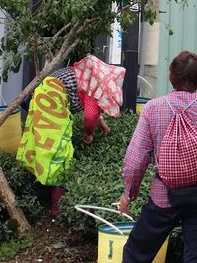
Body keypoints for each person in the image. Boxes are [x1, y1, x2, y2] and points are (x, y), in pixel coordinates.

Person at [119, 51, 197, 263]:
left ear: (171, 76)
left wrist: (128, 194)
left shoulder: (152, 108)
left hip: (163, 197)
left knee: (136, 253)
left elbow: (135, 161)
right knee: (196, 257)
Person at [17, 55, 124, 215]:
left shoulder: (88, 78)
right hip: (52, 99)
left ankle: (36, 193)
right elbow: (90, 116)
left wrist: (101, 121)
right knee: (59, 152)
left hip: (42, 94)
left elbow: (92, 105)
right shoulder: (93, 87)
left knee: (38, 143)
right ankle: (56, 207)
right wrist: (88, 134)